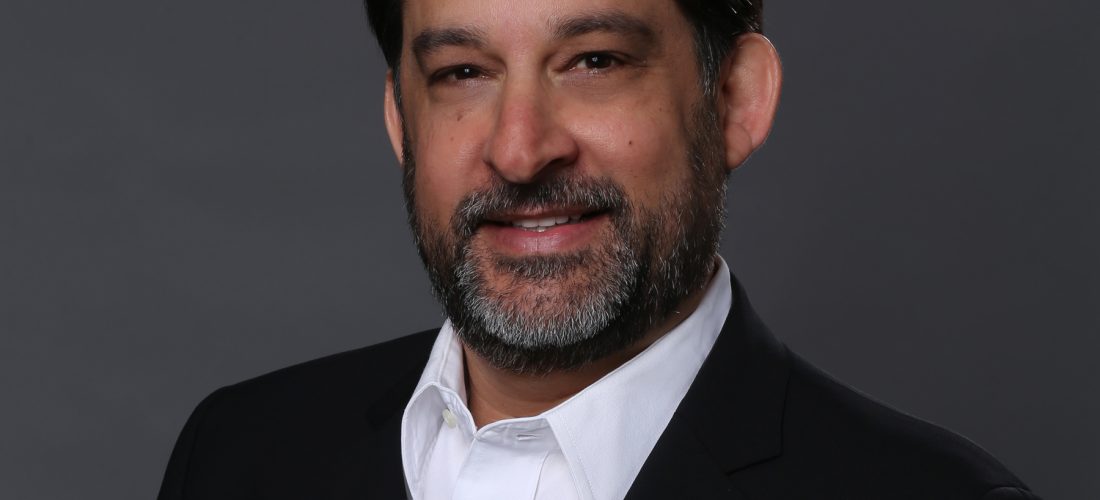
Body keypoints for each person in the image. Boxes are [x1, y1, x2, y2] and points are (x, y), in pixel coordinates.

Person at [157, 0, 1042, 498]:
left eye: (595, 61)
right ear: (402, 124)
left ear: (735, 100)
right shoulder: (237, 455)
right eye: (463, 73)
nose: (520, 149)